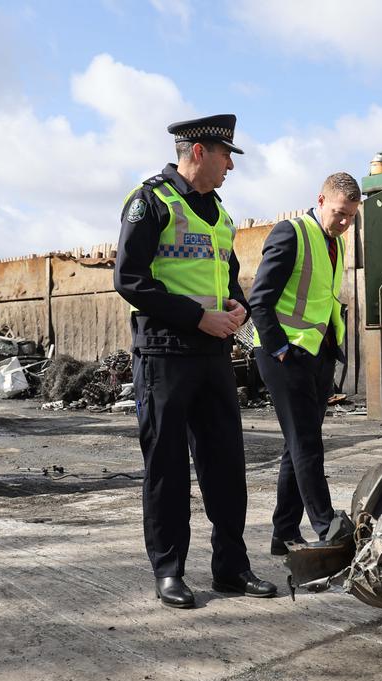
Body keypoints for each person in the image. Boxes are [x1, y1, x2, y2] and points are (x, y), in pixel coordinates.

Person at [113, 113, 276, 609]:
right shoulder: (149, 202)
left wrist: (237, 307)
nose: (231, 165)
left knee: (226, 463)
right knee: (166, 467)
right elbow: (130, 279)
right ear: (199, 151)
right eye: (226, 155)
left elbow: (224, 276)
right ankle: (170, 571)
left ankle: (231, 568)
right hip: (165, 354)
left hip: (213, 355)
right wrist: (195, 318)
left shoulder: (221, 213)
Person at [249, 172, 361, 556]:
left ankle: (283, 535)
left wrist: (330, 348)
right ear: (321, 200)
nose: (344, 223)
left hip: (318, 353)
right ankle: (327, 525)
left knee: (296, 447)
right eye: (339, 214)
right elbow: (259, 299)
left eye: (351, 217)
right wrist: (279, 348)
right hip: (285, 355)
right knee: (307, 443)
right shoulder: (290, 233)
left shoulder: (336, 244)